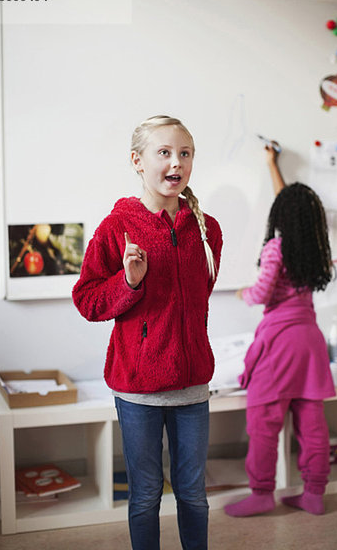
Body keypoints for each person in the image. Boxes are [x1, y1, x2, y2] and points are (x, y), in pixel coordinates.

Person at [73, 115, 223, 550]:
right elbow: (87, 300)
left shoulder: (207, 229)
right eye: (164, 153)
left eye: (185, 153)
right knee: (145, 496)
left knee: (194, 496)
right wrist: (130, 283)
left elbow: (199, 298)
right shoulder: (115, 228)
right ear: (137, 161)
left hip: (193, 387)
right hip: (138, 389)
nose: (176, 162)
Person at [224, 144, 335, 518]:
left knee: (265, 421)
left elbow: (260, 295)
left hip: (281, 342)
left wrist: (241, 292)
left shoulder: (276, 248)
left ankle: (260, 493)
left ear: (280, 215)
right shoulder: (313, 251)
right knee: (312, 421)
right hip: (311, 340)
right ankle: (314, 493)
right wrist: (272, 164)